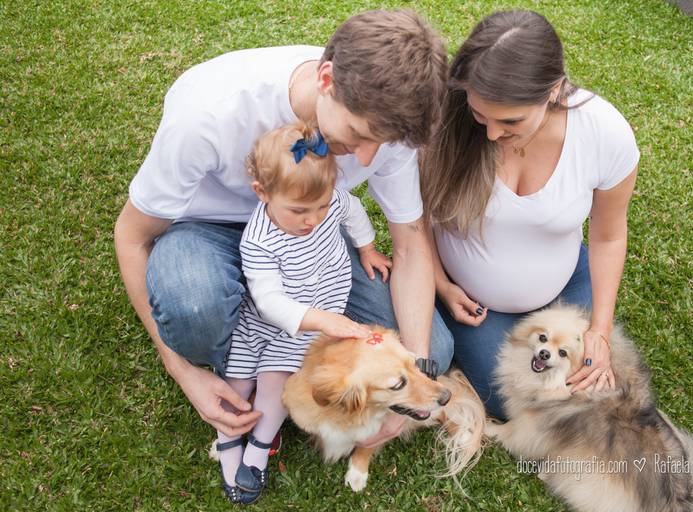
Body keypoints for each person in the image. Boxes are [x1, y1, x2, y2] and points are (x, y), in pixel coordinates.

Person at [113, 9, 449, 453]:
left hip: (312, 238)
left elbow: (409, 244)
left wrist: (416, 371)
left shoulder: (391, 129)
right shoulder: (209, 114)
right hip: (207, 230)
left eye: (381, 144)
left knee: (433, 348)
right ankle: (260, 360)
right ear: (326, 78)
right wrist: (183, 371)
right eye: (357, 136)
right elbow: (132, 235)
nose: (366, 159)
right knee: (193, 309)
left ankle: (274, 357)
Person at [420, 10, 640, 420]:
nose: (490, 134)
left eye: (511, 120)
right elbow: (416, 218)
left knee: (590, 391)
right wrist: (440, 283)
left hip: (566, 281)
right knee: (516, 402)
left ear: (554, 90)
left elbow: (609, 236)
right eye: (480, 115)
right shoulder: (446, 121)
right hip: (472, 300)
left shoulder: (603, 133)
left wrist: (599, 332)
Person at [215, 122, 389, 503]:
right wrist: (323, 321)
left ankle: (258, 449)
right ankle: (227, 439)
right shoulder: (258, 240)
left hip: (312, 317)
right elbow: (270, 302)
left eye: (321, 206)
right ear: (262, 193)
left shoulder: (333, 203)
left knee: (276, 379)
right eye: (299, 210)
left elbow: (354, 212)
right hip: (272, 319)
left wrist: (367, 248)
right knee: (238, 380)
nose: (313, 219)